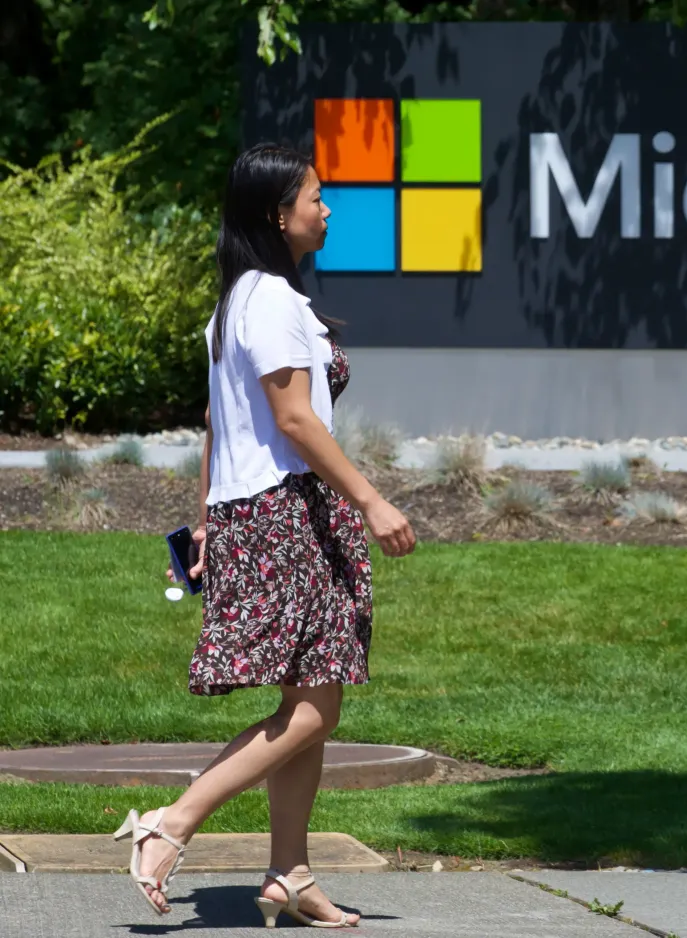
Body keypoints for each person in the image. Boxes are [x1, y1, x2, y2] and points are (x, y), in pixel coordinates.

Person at [116, 142, 416, 928]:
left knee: (307, 696)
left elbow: (221, 421)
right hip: (291, 514)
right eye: (315, 197)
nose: (327, 208)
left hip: (257, 515)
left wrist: (210, 516)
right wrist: (373, 501)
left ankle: (291, 870)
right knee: (317, 710)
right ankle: (171, 824)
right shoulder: (273, 302)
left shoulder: (235, 303)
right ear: (277, 215)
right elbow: (292, 419)